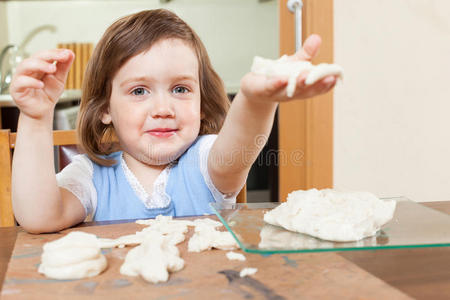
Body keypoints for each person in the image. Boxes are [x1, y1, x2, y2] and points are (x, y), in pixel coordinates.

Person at [10, 9, 337, 233]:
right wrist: (37, 118)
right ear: (104, 109)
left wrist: (256, 100)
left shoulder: (206, 162)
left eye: (180, 88)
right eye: (139, 91)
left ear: (203, 105)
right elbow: (39, 218)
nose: (163, 108)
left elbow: (240, 144)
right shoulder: (90, 178)